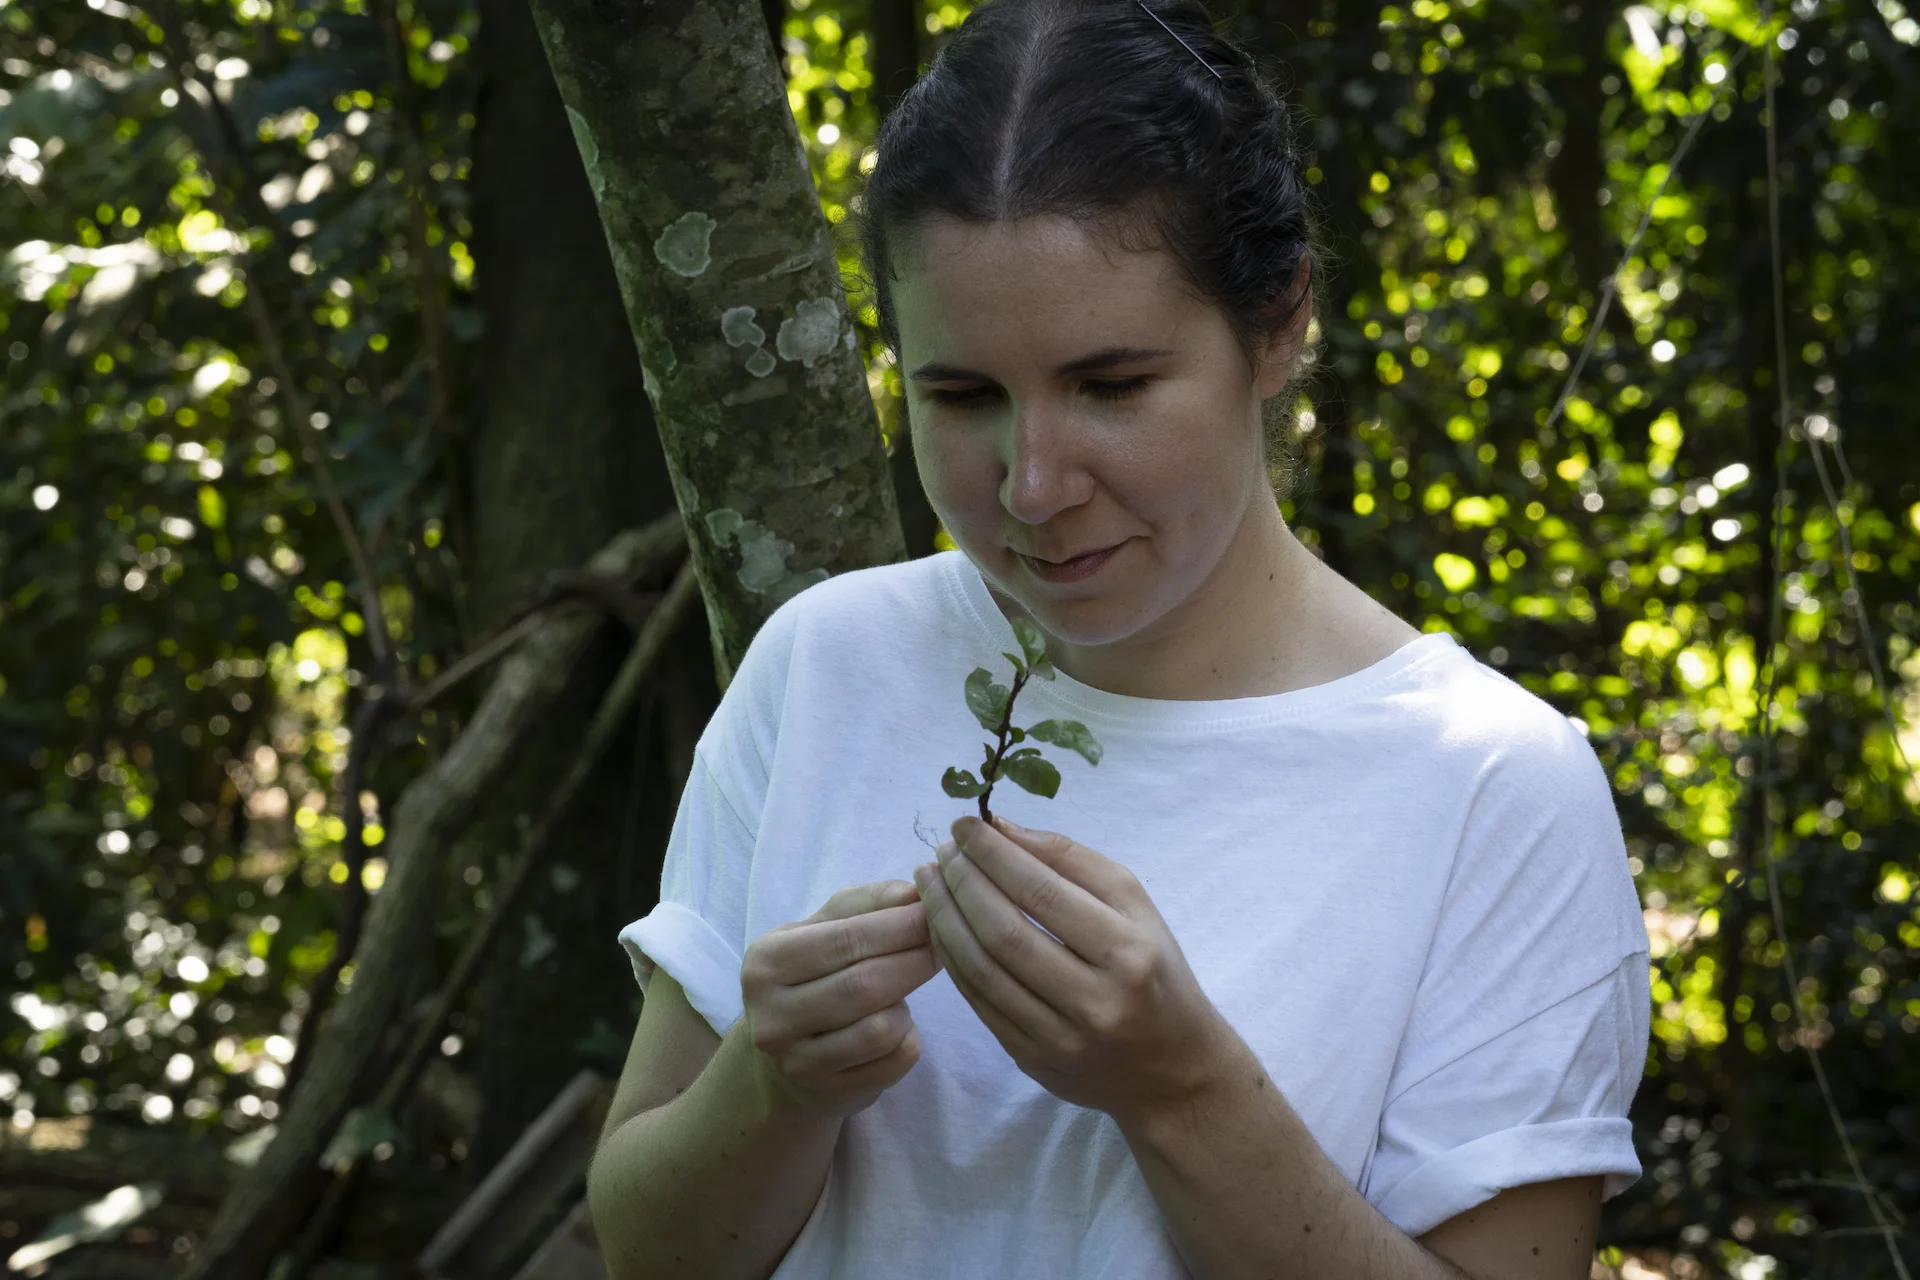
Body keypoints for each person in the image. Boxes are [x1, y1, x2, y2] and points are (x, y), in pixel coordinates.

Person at [589, 0, 1651, 1276]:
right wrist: (771, 1090)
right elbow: (646, 1248)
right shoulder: (826, 662)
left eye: (1112, 386)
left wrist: (1180, 1085)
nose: (1033, 484)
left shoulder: (1488, 782)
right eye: (964, 395)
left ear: (1278, 325)